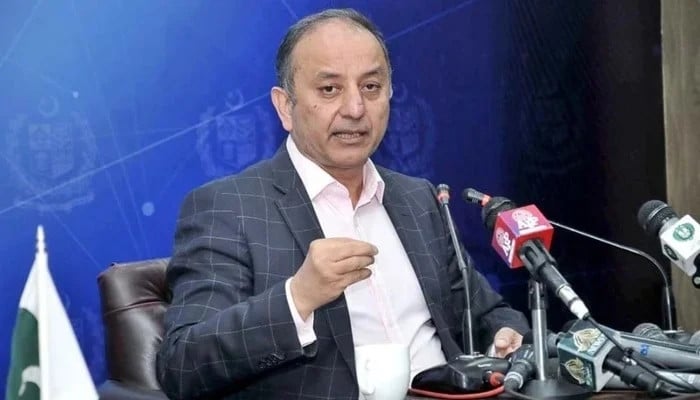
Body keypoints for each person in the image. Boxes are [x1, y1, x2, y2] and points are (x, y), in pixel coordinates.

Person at [156, 8, 530, 400]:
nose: (355, 108)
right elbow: (183, 365)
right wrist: (298, 298)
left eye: (371, 86)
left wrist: (502, 337)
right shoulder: (228, 207)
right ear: (285, 107)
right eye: (329, 89)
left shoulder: (418, 198)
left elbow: (487, 314)